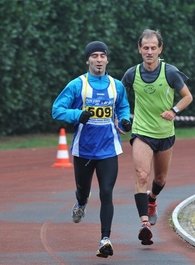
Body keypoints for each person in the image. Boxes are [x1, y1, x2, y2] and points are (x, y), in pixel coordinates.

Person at [52, 41, 131, 258]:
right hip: (84, 150)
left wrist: (124, 120)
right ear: (88, 60)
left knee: (106, 193)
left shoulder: (116, 85)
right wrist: (77, 115)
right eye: (94, 56)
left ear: (107, 59)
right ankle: (80, 203)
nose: (98, 60)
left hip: (108, 149)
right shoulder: (77, 85)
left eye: (102, 56)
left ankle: (105, 239)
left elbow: (123, 106)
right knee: (83, 190)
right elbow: (57, 110)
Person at [121, 29, 193, 245]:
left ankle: (152, 200)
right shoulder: (131, 74)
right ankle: (144, 224)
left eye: (153, 48)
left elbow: (188, 97)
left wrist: (174, 111)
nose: (149, 51)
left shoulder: (170, 72)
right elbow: (119, 98)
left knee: (159, 179)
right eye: (146, 48)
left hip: (165, 133)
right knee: (142, 175)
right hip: (142, 131)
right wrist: (120, 118)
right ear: (139, 49)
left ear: (160, 49)